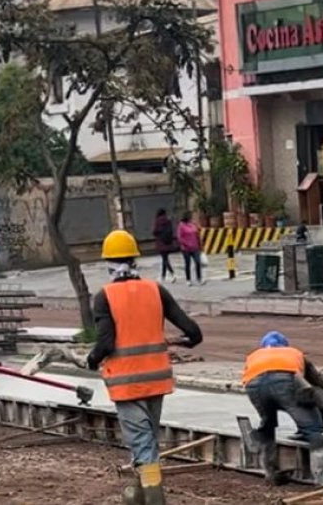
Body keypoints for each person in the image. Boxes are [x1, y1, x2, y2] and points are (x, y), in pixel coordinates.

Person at [86, 229, 202, 505]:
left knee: (142, 444)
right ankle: (136, 497)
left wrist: (92, 360)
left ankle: (154, 499)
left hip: (127, 384)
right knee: (147, 441)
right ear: (135, 259)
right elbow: (194, 334)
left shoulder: (105, 297)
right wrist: (175, 342)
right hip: (157, 381)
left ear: (108, 263)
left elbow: (105, 343)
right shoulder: (155, 290)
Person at [242, 331, 323, 485]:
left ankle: (270, 474)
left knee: (267, 426)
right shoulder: (294, 354)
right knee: (315, 433)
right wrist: (318, 417)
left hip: (253, 386)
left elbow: (254, 379)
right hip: (284, 383)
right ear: (285, 345)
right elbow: (322, 387)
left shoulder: (254, 356)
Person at [152, 208, 178, 283]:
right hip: (168, 243)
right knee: (165, 259)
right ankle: (163, 276)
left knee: (165, 260)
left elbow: (154, 231)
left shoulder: (157, 221)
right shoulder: (168, 220)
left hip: (161, 243)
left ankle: (172, 274)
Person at [177, 212, 203, 286]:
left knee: (197, 262)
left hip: (195, 247)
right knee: (187, 263)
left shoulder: (193, 225)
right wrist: (185, 244)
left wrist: (200, 244)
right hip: (186, 248)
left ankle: (199, 278)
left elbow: (197, 234)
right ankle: (188, 279)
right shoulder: (181, 225)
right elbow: (179, 237)